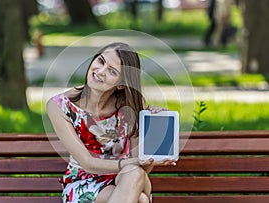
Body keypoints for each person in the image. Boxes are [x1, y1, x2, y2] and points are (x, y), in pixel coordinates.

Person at [47, 42, 176, 203]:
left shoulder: (131, 106)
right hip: (83, 183)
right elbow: (87, 163)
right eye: (100, 61)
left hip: (127, 177)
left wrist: (152, 142)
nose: (100, 72)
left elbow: (141, 167)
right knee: (141, 199)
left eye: (112, 71)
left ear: (121, 84)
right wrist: (137, 161)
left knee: (134, 173)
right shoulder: (61, 106)